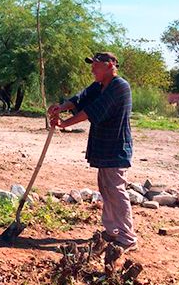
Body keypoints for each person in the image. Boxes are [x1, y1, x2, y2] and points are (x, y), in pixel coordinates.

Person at [48, 52, 136, 253]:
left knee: (115, 190)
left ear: (110, 65)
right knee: (106, 189)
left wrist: (64, 123)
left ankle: (127, 237)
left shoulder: (119, 86)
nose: (92, 69)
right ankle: (112, 230)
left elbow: (93, 110)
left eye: (96, 65)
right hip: (104, 146)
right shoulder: (100, 86)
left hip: (116, 147)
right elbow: (81, 98)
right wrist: (61, 107)